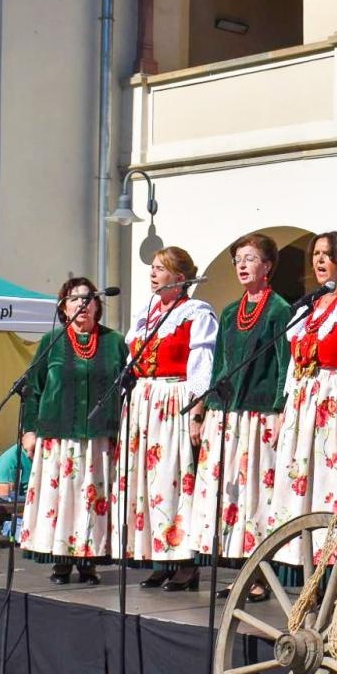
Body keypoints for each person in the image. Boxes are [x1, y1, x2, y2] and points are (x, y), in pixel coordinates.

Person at [265, 232, 337, 574]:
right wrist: (288, 405)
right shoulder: (307, 308)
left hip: (335, 400)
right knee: (301, 476)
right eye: (316, 254)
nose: (319, 260)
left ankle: (333, 562)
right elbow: (292, 365)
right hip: (304, 400)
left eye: (328, 254)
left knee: (332, 477)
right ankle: (298, 557)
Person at [189, 233, 291, 601]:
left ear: (267, 266)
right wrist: (203, 411)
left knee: (256, 497)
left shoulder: (280, 310)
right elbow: (219, 365)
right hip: (226, 414)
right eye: (238, 260)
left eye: (250, 258)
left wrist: (281, 408)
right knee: (230, 497)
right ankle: (241, 573)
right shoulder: (231, 311)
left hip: (259, 415)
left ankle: (260, 575)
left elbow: (285, 365)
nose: (242, 265)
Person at [120, 247, 218, 590]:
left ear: (179, 278)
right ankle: (158, 558)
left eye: (160, 268)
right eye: (152, 267)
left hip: (172, 399)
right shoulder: (147, 313)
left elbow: (202, 366)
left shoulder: (196, 314)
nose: (152, 273)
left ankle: (185, 563)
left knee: (173, 479)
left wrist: (196, 410)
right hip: (143, 402)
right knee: (148, 483)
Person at [19, 277, 123, 584]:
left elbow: (128, 388)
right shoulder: (51, 341)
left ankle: (88, 561)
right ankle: (61, 562)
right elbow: (32, 390)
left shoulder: (114, 342)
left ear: (97, 306)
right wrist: (29, 430)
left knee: (91, 498)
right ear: (64, 307)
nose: (82, 304)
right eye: (75, 299)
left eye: (88, 299)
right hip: (58, 435)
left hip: (98, 438)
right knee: (62, 499)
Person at [0, 431, 35, 497]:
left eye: (34, 449)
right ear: (22, 440)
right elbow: (7, 500)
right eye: (26, 450)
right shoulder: (9, 460)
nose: (29, 455)